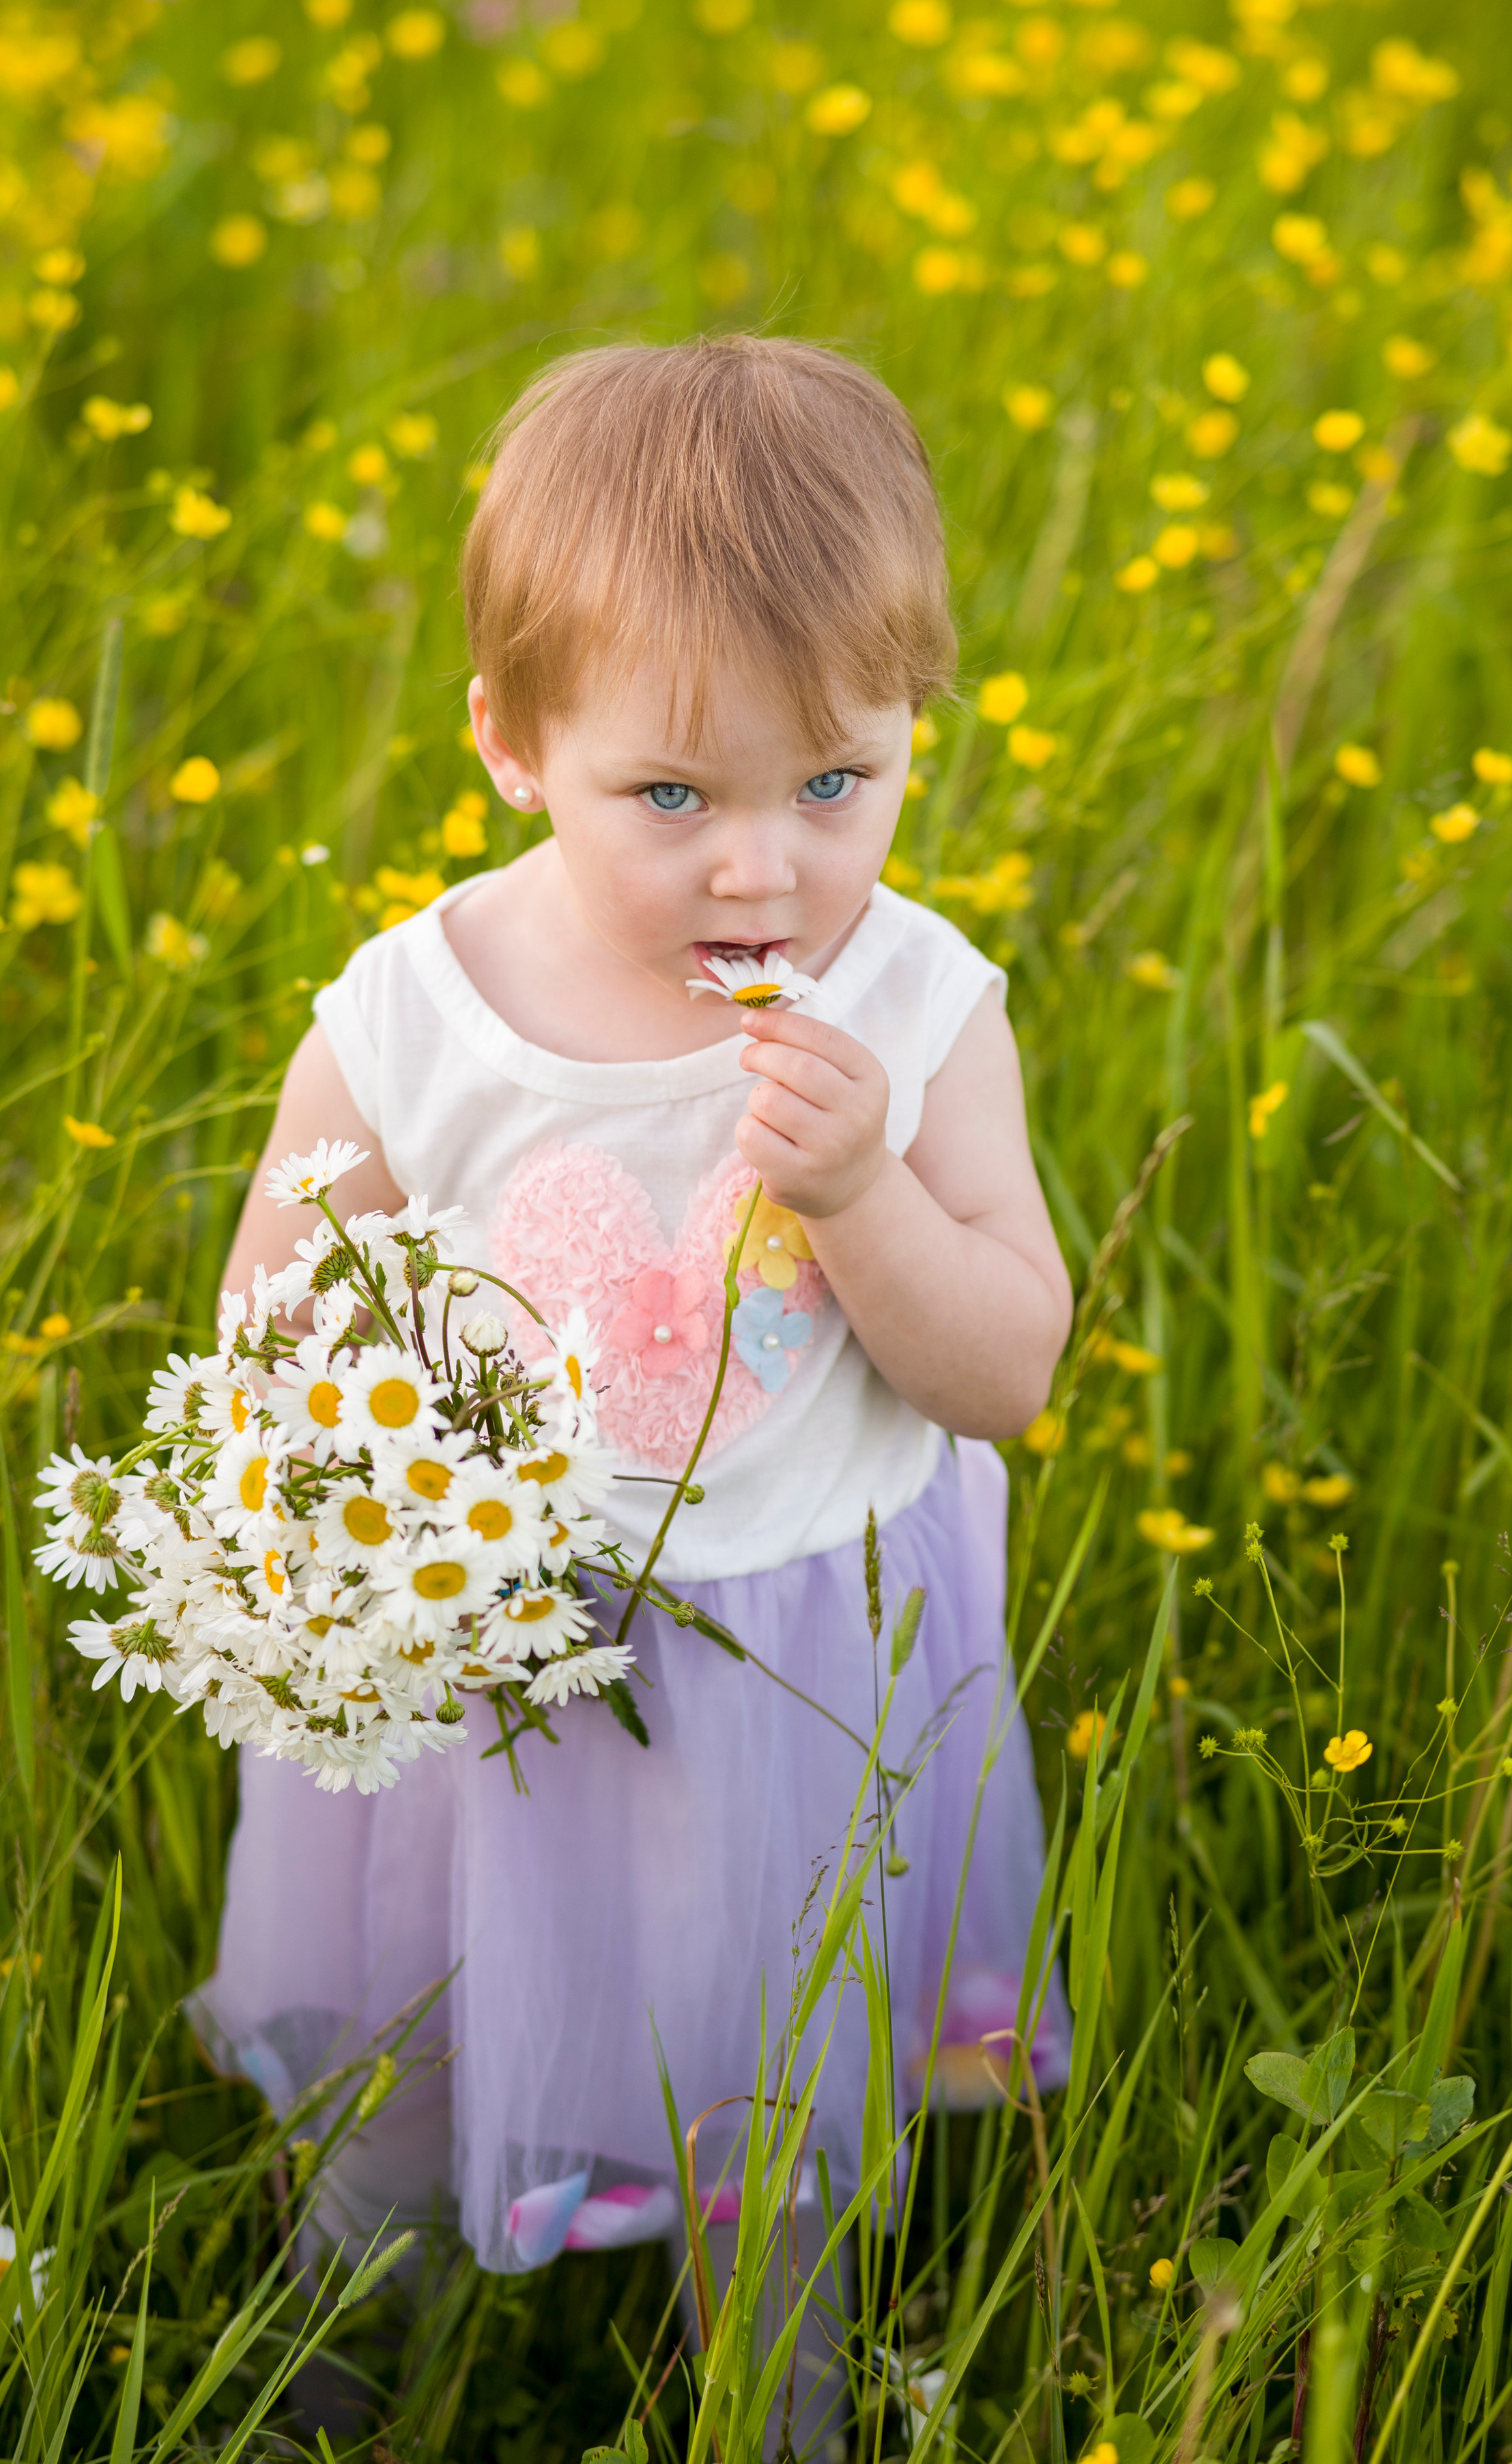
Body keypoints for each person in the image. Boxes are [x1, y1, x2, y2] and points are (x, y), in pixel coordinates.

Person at [190, 335, 1074, 2434]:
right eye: (671, 794)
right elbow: (269, 1334)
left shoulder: (920, 1007)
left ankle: (781, 2376)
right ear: (513, 742)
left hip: (791, 1670)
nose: (761, 869)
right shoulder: (418, 1016)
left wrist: (859, 1189)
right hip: (490, 1673)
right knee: (416, 2050)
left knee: (769, 2075)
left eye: (831, 783)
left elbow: (1008, 1369)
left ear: (911, 740)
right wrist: (355, 1532)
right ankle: (344, 2354)